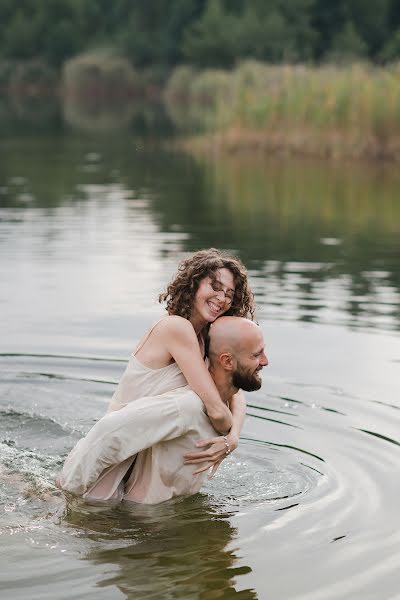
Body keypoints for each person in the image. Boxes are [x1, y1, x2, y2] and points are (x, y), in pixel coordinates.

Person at [58, 248, 256, 500]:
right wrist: (228, 430)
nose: (222, 298)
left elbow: (235, 393)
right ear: (193, 284)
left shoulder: (206, 337)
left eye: (229, 294)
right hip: (108, 458)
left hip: (140, 463)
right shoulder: (176, 328)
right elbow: (217, 410)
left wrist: (233, 440)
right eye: (215, 286)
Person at [59, 317, 268, 503]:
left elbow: (236, 396)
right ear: (227, 361)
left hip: (166, 521)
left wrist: (232, 439)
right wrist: (65, 496)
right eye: (257, 355)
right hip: (133, 524)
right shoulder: (186, 407)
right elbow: (106, 433)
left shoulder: (225, 401)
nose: (265, 361)